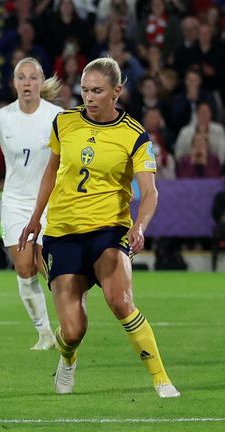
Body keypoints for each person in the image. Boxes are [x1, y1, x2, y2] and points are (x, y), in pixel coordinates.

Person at [18, 57, 180, 398]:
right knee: (73, 330)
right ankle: (68, 357)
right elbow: (53, 170)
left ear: (116, 92)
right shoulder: (65, 123)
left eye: (97, 91)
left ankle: (161, 379)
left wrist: (140, 226)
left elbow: (149, 191)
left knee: (120, 301)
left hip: (109, 230)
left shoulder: (134, 134)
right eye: (85, 90)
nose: (89, 97)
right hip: (62, 233)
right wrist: (36, 217)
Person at [0, 57, 61, 350]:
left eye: (33, 77)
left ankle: (71, 311)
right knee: (24, 267)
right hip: (14, 203)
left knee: (48, 265)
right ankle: (45, 333)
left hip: (51, 202)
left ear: (41, 82)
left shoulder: (58, 117)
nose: (28, 83)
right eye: (22, 78)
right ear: (14, 83)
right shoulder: (2, 118)